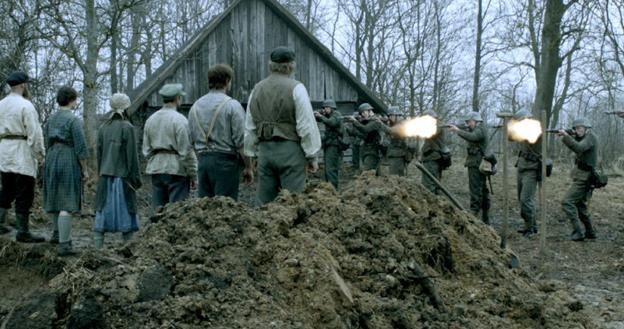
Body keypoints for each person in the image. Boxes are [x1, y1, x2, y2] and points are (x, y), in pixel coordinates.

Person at [244, 46, 321, 205]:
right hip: (291, 153)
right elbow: (306, 125)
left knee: (265, 204)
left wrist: (250, 155)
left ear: (270, 65)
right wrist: (312, 155)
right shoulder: (296, 88)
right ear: (290, 66)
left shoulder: (256, 90)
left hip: (265, 154)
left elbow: (249, 127)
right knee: (293, 203)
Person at [189, 64, 252, 200]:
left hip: (203, 163)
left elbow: (191, 141)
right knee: (224, 210)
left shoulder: (195, 107)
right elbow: (241, 141)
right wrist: (248, 167)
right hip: (225, 164)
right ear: (227, 81)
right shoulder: (232, 105)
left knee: (205, 209)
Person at [43, 86, 89, 255]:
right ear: (72, 100)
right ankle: (65, 244)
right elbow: (81, 147)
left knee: (55, 196)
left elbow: (46, 141)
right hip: (67, 157)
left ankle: (56, 234)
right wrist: (85, 169)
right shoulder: (73, 120)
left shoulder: (51, 119)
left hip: (51, 156)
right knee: (67, 200)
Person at [0, 71, 45, 242]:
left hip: (4, 150)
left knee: (7, 188)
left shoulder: (1, 104)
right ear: (23, 85)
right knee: (24, 191)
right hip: (21, 150)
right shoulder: (26, 106)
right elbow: (34, 133)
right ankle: (23, 231)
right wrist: (40, 155)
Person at [93, 93, 142, 249]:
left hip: (105, 177)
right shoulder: (127, 127)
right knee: (126, 211)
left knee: (102, 210)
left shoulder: (103, 128)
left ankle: (97, 249)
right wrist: (136, 180)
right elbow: (132, 158)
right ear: (125, 107)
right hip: (123, 178)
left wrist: (100, 173)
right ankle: (128, 249)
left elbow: (98, 156)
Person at [143, 84, 197, 211]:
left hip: (156, 168)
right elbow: (186, 151)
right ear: (178, 98)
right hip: (176, 169)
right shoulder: (180, 120)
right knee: (176, 211)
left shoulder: (151, 120)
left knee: (158, 209)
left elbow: (146, 149)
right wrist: (193, 174)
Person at [557, 118, 598, 241]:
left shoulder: (590, 137)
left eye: (580, 128)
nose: (577, 130)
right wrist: (568, 136)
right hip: (581, 175)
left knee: (567, 202)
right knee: (580, 205)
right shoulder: (583, 137)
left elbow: (579, 148)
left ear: (586, 128)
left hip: (585, 178)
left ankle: (578, 231)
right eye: (576, 128)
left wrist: (566, 136)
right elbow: (576, 146)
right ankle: (590, 232)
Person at [448, 112, 490, 224]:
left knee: (476, 189)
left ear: (476, 120)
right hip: (477, 163)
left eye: (469, 121)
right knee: (481, 189)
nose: (468, 123)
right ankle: (484, 216)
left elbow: (473, 137)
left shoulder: (480, 129)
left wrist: (457, 131)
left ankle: (475, 213)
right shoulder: (477, 128)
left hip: (477, 163)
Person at [513, 110, 541, 237]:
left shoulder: (535, 128)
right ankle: (530, 225)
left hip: (532, 169)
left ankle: (530, 228)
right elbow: (510, 138)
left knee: (526, 200)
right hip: (522, 167)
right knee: (521, 199)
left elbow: (530, 137)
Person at [348, 103, 390, 174]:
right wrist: (352, 129)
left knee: (367, 173)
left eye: (363, 112)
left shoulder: (376, 121)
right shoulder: (368, 121)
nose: (363, 115)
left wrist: (355, 122)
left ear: (369, 111)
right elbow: (363, 135)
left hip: (374, 151)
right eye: (362, 113)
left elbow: (366, 129)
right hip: (367, 150)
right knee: (373, 174)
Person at [315, 99, 343, 189]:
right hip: (329, 144)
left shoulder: (336, 115)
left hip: (334, 144)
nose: (325, 109)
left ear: (332, 108)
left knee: (331, 169)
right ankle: (329, 188)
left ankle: (333, 189)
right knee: (327, 168)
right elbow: (318, 119)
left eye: (327, 107)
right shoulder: (327, 115)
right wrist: (318, 113)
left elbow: (332, 122)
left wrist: (321, 116)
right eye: (324, 108)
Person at [421, 110, 447, 194]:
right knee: (433, 182)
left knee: (429, 183)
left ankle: (432, 202)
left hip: (432, 158)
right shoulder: (434, 126)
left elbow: (429, 133)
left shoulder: (437, 127)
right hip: (431, 158)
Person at [385, 106, 414, 176]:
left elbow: (392, 131)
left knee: (396, 177)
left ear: (396, 115)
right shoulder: (394, 124)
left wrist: (381, 124)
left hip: (398, 155)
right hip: (395, 154)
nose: (390, 118)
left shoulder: (401, 124)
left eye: (391, 116)